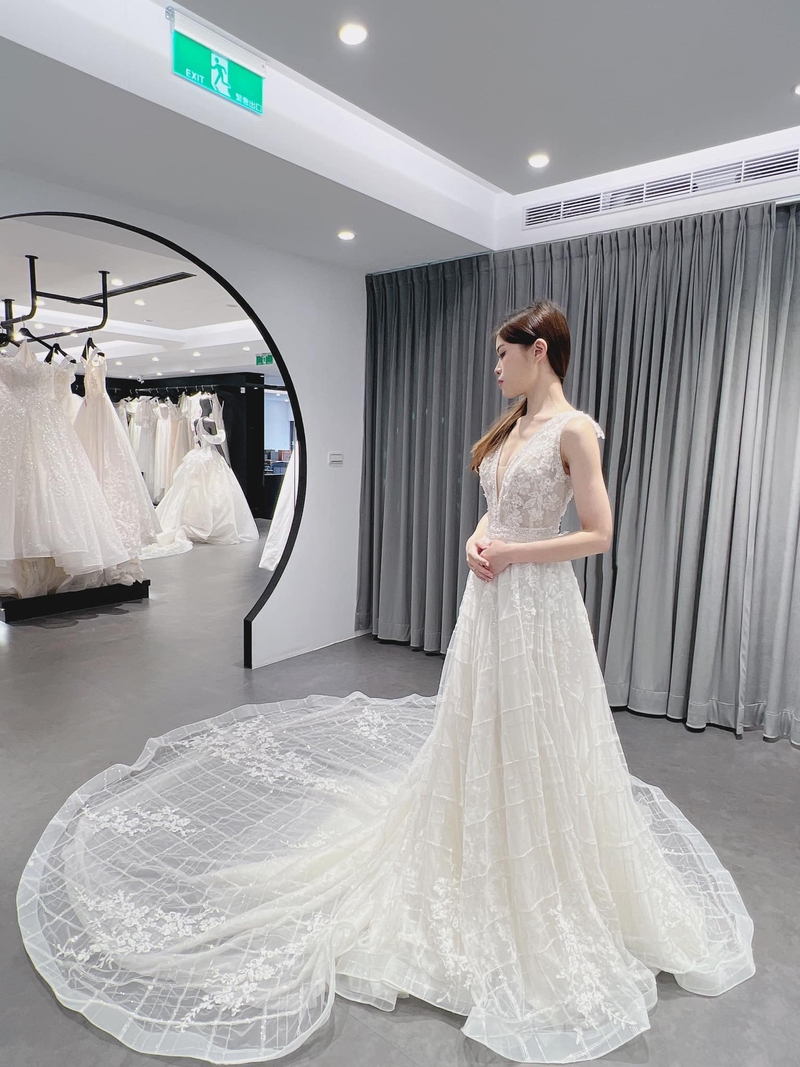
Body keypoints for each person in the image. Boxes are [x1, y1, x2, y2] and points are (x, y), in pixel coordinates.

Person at [17, 300, 755, 1065]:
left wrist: (511, 551)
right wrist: (479, 538)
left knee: (537, 730)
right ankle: (476, 836)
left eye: (504, 355)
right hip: (491, 601)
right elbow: (497, 510)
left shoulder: (574, 429)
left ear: (538, 352)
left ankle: (536, 861)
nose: (495, 368)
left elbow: (598, 532)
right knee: (476, 721)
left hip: (538, 608)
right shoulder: (512, 428)